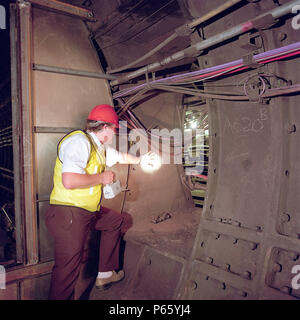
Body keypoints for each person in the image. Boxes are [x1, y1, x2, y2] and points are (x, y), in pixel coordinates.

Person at [45, 104, 142, 300]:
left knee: (116, 221)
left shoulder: (99, 148)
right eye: (114, 129)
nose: (115, 134)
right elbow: (69, 180)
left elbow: (121, 156)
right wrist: (101, 178)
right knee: (67, 272)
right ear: (105, 128)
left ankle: (105, 274)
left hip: (87, 212)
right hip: (69, 213)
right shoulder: (79, 142)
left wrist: (142, 160)